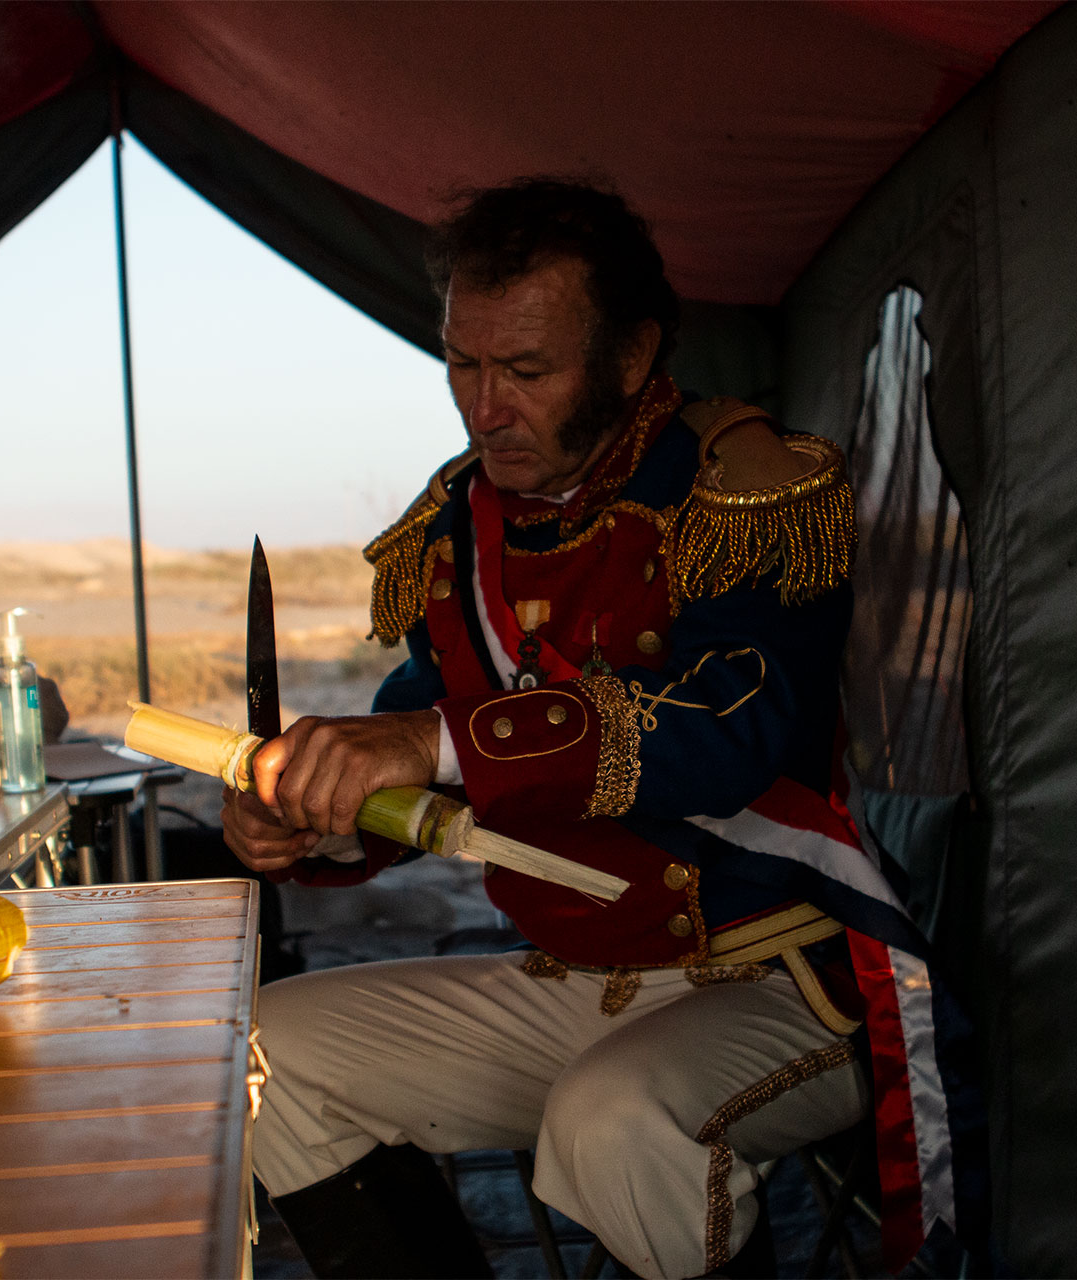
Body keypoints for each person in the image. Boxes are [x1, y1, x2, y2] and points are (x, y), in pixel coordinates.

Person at [225, 179, 981, 1279]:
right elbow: (412, 748)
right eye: (462, 364)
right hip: (567, 976)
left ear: (631, 359)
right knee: (254, 1050)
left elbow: (733, 727)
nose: (484, 407)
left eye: (526, 371)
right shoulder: (456, 524)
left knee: (610, 1116)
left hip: (772, 979)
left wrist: (430, 745)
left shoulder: (743, 491)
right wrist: (318, 816)